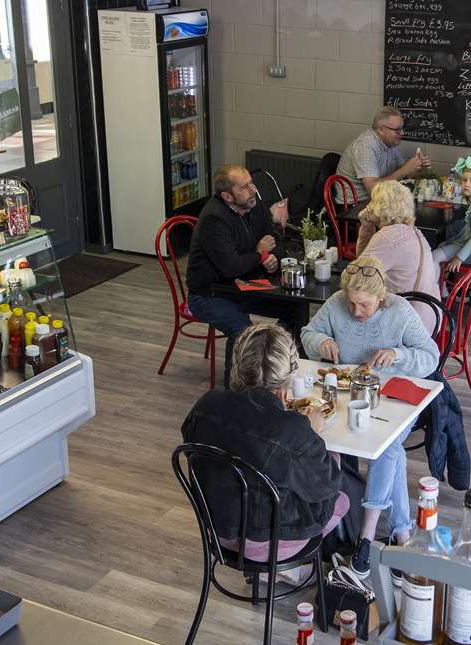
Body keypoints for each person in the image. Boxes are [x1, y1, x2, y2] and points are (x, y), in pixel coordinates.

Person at [180, 324, 352, 586]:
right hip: (270, 540)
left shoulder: (205, 405)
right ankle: (293, 567)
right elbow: (326, 486)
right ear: (285, 379)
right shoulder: (292, 430)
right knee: (340, 492)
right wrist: (312, 434)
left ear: (238, 364)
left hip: (217, 527)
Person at [300, 257, 440, 575]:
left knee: (387, 445)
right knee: (383, 451)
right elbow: (308, 333)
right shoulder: (337, 303)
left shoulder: (400, 312)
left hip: (394, 399)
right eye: (351, 303)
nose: (355, 312)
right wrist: (321, 340)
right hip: (347, 398)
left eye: (364, 305)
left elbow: (430, 357)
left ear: (382, 297)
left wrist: (398, 354)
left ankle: (366, 536)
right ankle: (402, 534)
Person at [185, 165, 294, 383]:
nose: (253, 190)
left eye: (251, 183)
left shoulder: (254, 205)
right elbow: (230, 266)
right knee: (242, 330)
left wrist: (271, 259)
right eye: (244, 187)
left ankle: (280, 368)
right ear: (227, 196)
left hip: (245, 285)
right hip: (210, 294)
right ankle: (234, 388)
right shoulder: (213, 220)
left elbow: (276, 240)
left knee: (295, 308)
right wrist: (259, 254)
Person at [357, 180, 441, 336]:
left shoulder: (387, 237)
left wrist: (366, 227)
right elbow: (365, 264)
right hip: (430, 318)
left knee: (343, 312)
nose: (369, 206)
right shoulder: (414, 232)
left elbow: (358, 274)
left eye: (373, 201)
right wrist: (367, 226)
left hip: (406, 325)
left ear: (382, 206)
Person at [338, 106, 431, 202]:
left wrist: (417, 168)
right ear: (382, 130)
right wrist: (404, 170)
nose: (402, 133)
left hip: (376, 200)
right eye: (397, 130)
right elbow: (373, 189)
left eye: (402, 128)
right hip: (353, 206)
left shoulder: (390, 142)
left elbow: (403, 175)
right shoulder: (365, 146)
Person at [434, 154, 471, 276]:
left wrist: (459, 258)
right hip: (469, 246)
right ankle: (442, 285)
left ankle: (439, 293)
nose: (467, 184)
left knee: (433, 256)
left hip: (470, 251)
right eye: (464, 179)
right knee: (441, 245)